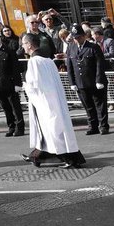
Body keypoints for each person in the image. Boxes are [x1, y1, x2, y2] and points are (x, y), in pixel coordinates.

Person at [20, 33, 85, 168]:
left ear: (30, 45)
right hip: (54, 99)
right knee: (54, 129)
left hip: (44, 102)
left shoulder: (34, 62)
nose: (23, 47)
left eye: (24, 44)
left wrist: (24, 86)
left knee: (50, 130)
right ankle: (38, 155)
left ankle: (69, 158)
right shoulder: (48, 61)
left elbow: (34, 84)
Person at [65, 24, 109, 136]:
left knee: (100, 105)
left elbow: (100, 64)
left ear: (84, 36)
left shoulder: (93, 47)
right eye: (75, 38)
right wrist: (72, 82)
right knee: (88, 106)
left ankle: (103, 126)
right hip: (81, 83)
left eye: (79, 37)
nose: (77, 40)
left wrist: (99, 80)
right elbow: (69, 66)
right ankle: (93, 126)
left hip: (94, 82)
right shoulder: (71, 48)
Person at [0, 27, 24, 137]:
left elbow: (15, 68)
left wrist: (17, 84)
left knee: (15, 107)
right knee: (6, 107)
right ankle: (11, 126)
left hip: (10, 84)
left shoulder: (9, 51)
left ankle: (19, 128)